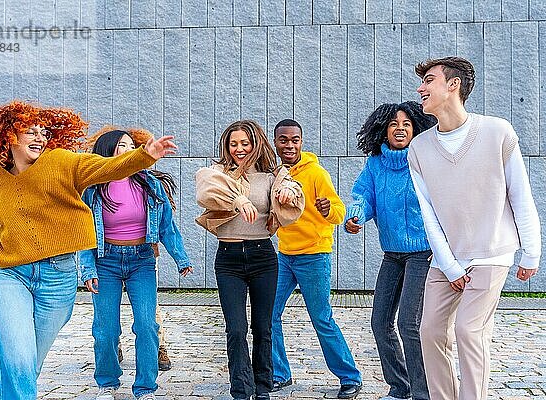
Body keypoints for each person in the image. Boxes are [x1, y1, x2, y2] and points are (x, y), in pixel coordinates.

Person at [0, 101, 177, 400]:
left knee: (26, 363)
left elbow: (108, 166)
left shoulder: (62, 162)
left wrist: (143, 156)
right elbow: (0, 226)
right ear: (9, 136)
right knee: (17, 353)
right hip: (6, 273)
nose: (39, 137)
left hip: (57, 277)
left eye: (42, 132)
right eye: (30, 131)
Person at [408, 56, 541, 400]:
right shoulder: (419, 148)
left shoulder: (497, 132)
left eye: (429, 80)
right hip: (445, 259)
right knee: (430, 332)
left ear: (453, 85)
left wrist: (531, 252)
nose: (421, 88)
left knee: (469, 330)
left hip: (491, 253)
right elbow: (429, 214)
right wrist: (449, 265)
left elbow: (520, 195)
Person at [79, 128, 192, 400]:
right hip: (105, 262)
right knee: (105, 329)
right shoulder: (92, 189)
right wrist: (87, 269)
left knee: (147, 326)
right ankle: (107, 383)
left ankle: (145, 388)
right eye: (122, 146)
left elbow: (166, 225)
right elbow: (83, 233)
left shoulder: (150, 183)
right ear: (107, 151)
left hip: (141, 260)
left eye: (132, 146)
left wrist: (181, 258)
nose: (129, 151)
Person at [195, 120, 304, 400]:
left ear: (256, 144)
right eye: (234, 144)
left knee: (263, 327)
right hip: (229, 259)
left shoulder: (271, 174)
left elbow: (292, 191)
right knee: (236, 328)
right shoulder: (219, 172)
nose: (239, 149)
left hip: (262, 257)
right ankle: (241, 390)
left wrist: (288, 193)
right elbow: (205, 187)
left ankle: (263, 387)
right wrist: (237, 200)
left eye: (245, 143)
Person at [344, 102, 437, 400]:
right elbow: (362, 195)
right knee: (380, 322)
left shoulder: (425, 160)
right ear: (383, 130)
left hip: (424, 254)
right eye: (394, 123)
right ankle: (400, 387)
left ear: (417, 130)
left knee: (409, 323)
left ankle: (423, 393)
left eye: (407, 124)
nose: (400, 128)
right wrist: (355, 215)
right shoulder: (375, 164)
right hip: (392, 255)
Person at [271, 119, 363, 399]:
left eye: (294, 140)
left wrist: (326, 210)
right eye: (283, 140)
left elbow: (338, 211)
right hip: (284, 256)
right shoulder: (275, 173)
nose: (289, 145)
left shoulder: (316, 173)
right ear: (276, 143)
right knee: (268, 315)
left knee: (321, 318)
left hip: (314, 255)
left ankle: (350, 377)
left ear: (301, 141)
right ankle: (279, 374)